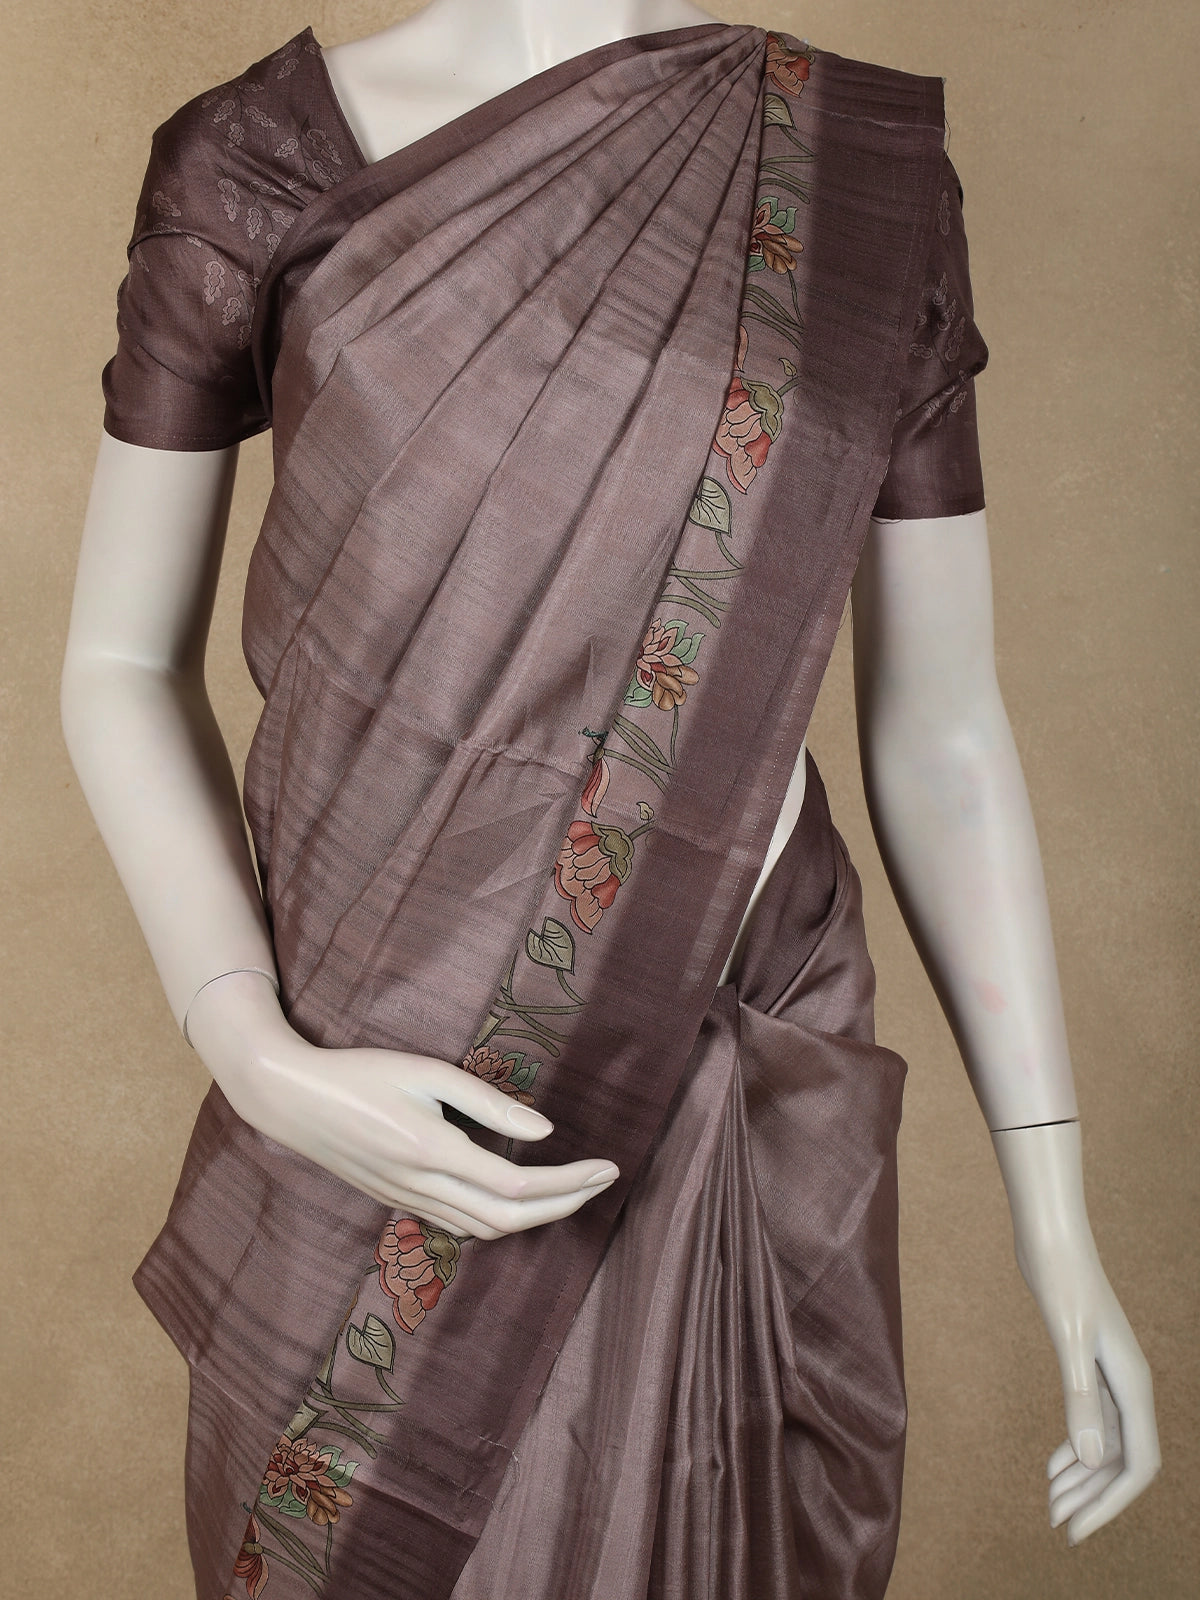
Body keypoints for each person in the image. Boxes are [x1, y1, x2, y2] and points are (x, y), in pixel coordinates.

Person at [60, 2, 1160, 1596]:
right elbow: (115, 664)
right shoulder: (261, 161)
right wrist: (255, 1052)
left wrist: (1056, 1220)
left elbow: (943, 726)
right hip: (378, 1079)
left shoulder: (851, 178)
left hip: (723, 1063)